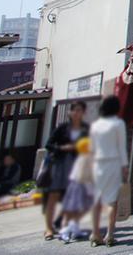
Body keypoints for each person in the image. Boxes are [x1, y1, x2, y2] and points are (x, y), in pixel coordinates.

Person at [43, 99, 89, 240]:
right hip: (60, 164)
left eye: (80, 110)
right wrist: (62, 148)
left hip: (76, 165)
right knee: (53, 195)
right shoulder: (62, 128)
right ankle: (48, 229)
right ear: (70, 112)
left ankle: (66, 226)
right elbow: (48, 144)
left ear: (83, 113)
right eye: (74, 110)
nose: (77, 113)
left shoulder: (85, 129)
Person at [89, 96, 128, 247]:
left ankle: (95, 234)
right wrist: (124, 167)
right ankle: (110, 235)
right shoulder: (118, 124)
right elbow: (121, 148)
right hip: (113, 163)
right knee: (112, 201)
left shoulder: (96, 125)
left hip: (97, 164)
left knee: (96, 201)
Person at [59, 138, 95, 243]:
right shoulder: (87, 159)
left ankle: (74, 229)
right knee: (78, 208)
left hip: (74, 185)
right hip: (80, 186)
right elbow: (85, 177)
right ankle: (66, 230)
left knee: (71, 209)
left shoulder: (82, 157)